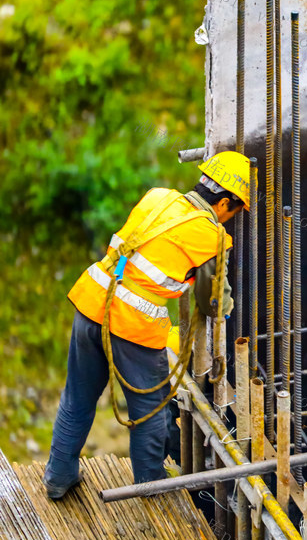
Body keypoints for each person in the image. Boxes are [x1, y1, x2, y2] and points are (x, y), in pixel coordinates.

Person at [44, 151, 251, 498]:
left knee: (77, 398)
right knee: (150, 413)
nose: (232, 220)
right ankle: (150, 487)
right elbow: (213, 300)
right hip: (133, 324)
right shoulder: (211, 235)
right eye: (235, 211)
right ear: (226, 202)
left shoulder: (158, 196)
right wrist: (226, 310)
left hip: (92, 300)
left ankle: (58, 478)